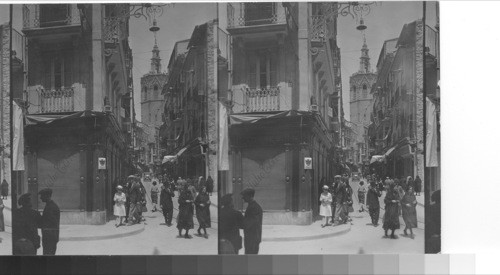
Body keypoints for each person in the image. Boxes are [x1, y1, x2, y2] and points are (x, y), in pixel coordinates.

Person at [39, 188, 60, 255]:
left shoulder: (50, 207)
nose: (40, 197)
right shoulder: (50, 205)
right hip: (50, 237)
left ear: (47, 196)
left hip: (49, 237)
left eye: (42, 196)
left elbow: (49, 222)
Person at [241, 188, 262, 254]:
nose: (243, 198)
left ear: (249, 196)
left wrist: (241, 223)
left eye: (244, 196)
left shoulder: (254, 207)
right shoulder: (252, 206)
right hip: (251, 238)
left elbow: (251, 223)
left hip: (253, 238)